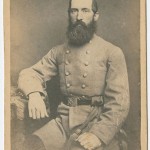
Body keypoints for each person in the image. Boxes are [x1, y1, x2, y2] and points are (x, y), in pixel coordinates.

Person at [18, 0, 130, 149]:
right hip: (63, 122)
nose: (79, 17)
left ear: (96, 15)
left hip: (95, 121)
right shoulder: (58, 51)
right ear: (69, 14)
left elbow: (119, 103)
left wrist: (99, 134)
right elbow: (29, 73)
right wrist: (34, 93)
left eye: (85, 10)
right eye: (74, 11)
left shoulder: (112, 52)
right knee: (30, 145)